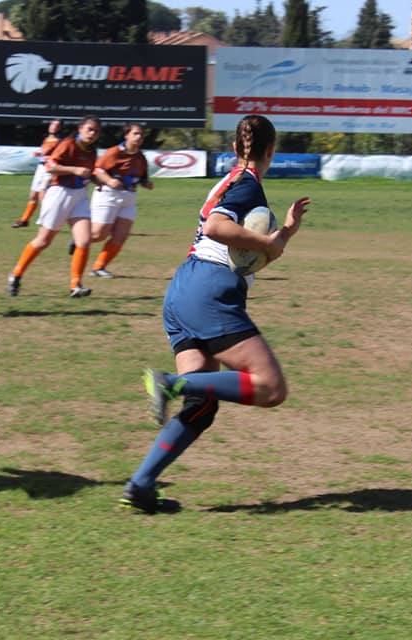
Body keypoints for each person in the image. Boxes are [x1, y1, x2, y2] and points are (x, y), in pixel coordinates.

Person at [120, 115, 311, 514]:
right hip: (209, 292)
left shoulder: (228, 181)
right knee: (271, 387)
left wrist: (286, 232)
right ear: (270, 152)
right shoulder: (247, 185)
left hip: (183, 291)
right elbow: (216, 228)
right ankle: (170, 383)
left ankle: (140, 484)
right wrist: (266, 240)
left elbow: (249, 257)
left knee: (201, 403)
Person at [7, 115, 101, 299]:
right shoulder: (67, 144)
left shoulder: (91, 151)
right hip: (59, 193)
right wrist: (74, 170)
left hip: (79, 195)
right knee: (43, 241)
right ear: (80, 128)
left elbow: (87, 173)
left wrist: (99, 180)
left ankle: (76, 285)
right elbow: (50, 166)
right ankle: (16, 274)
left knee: (84, 241)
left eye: (96, 131)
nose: (93, 134)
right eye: (90, 129)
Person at [87, 123, 153, 279]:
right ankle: (79, 239)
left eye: (141, 135)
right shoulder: (114, 152)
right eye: (136, 133)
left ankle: (99, 267)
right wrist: (109, 180)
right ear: (126, 135)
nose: (139, 137)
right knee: (99, 234)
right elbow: (97, 170)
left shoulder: (140, 157)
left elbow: (142, 178)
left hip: (129, 197)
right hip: (108, 194)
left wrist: (146, 183)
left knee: (121, 236)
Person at [11, 119, 63, 228]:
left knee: (42, 196)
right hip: (40, 168)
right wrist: (40, 154)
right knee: (33, 195)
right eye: (52, 124)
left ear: (60, 128)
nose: (53, 126)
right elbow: (44, 153)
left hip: (49, 169)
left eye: (56, 125)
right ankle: (25, 220)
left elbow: (58, 157)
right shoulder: (47, 139)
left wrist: (46, 156)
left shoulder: (59, 142)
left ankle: (45, 221)